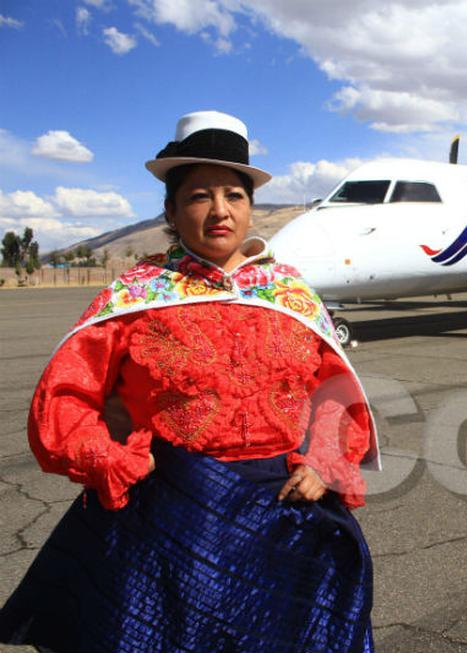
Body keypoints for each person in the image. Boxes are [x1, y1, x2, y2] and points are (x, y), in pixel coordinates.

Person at [0, 111, 378, 652]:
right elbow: (65, 397)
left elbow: (336, 393)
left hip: (285, 515)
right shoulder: (137, 295)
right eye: (200, 196)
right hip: (169, 517)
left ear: (251, 208)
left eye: (234, 195)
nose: (220, 211)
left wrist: (327, 462)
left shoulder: (290, 294)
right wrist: (112, 459)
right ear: (173, 211)